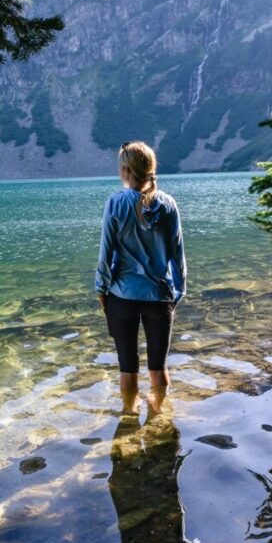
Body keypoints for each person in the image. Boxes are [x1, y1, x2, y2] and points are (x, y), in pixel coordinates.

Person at [94, 140, 187, 411]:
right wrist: (178, 292)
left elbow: (105, 253)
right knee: (158, 367)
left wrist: (102, 292)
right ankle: (159, 416)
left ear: (126, 169)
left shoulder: (115, 202)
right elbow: (177, 255)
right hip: (160, 296)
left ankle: (128, 417)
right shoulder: (167, 204)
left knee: (127, 367)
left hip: (121, 296)